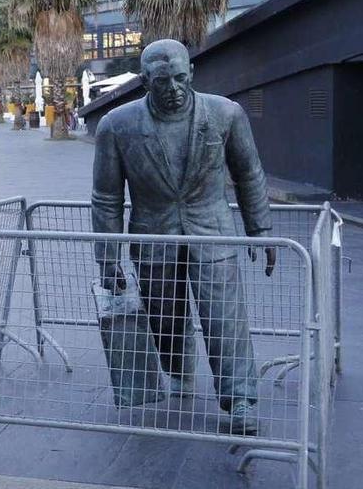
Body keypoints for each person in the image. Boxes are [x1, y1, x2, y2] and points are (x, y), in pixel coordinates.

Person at [92, 39, 276, 435]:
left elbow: (249, 173)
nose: (174, 88)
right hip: (153, 239)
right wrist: (107, 258)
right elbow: (106, 197)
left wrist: (259, 227)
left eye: (180, 78)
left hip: (213, 236)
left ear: (191, 73)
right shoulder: (117, 125)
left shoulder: (226, 114)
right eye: (162, 81)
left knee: (225, 322)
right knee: (165, 321)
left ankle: (240, 397)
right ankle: (178, 374)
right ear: (145, 81)